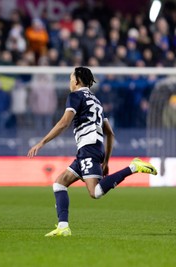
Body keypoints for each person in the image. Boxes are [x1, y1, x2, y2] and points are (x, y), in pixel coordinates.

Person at [27, 67, 157, 237]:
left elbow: (64, 122)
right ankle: (63, 227)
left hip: (88, 148)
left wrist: (41, 142)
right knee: (60, 183)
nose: (69, 81)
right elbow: (110, 133)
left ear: (77, 80)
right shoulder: (96, 101)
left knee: (95, 192)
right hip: (93, 148)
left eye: (70, 78)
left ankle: (133, 167)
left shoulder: (75, 96)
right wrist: (106, 161)